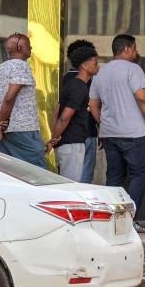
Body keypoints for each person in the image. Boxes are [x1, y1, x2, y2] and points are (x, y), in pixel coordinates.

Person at [88, 34, 145, 233]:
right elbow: (142, 96)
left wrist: (103, 124)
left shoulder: (100, 72)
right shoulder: (133, 69)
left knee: (114, 176)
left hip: (109, 133)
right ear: (127, 49)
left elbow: (93, 104)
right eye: (135, 48)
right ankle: (127, 219)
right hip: (134, 132)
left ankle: (112, 221)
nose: (136, 52)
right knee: (141, 172)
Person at [0, 33, 46, 168]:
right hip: (23, 128)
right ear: (20, 48)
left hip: (4, 131)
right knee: (36, 171)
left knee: (9, 171)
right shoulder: (21, 66)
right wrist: (2, 123)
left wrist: (0, 121)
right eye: (28, 45)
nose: (31, 48)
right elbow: (10, 96)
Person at [47, 43, 99, 181]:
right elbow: (64, 117)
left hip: (69, 142)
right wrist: (54, 138)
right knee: (72, 185)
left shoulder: (70, 83)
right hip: (73, 143)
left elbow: (57, 111)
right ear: (84, 65)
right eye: (95, 63)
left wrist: (55, 136)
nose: (98, 66)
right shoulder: (79, 87)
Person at [62, 39, 99, 184]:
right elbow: (93, 105)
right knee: (83, 179)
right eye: (94, 60)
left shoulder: (66, 79)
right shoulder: (87, 80)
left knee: (71, 179)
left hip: (71, 135)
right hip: (85, 133)